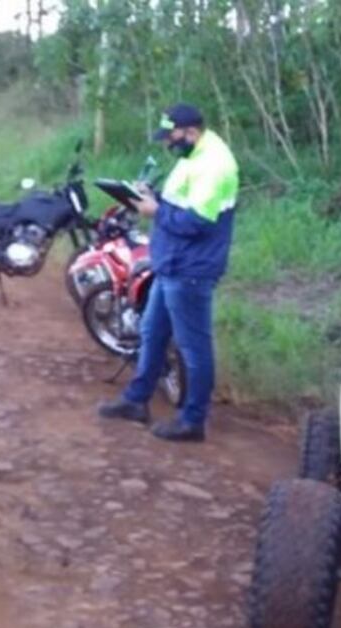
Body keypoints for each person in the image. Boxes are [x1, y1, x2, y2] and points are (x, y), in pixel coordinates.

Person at [98, 103, 239, 442]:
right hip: (172, 263)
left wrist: (154, 211)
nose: (167, 144)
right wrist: (151, 198)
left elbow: (197, 222)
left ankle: (193, 421)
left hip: (190, 268)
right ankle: (136, 400)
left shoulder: (214, 164)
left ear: (190, 131)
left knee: (194, 347)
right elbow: (180, 204)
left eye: (171, 137)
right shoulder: (193, 157)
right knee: (152, 331)